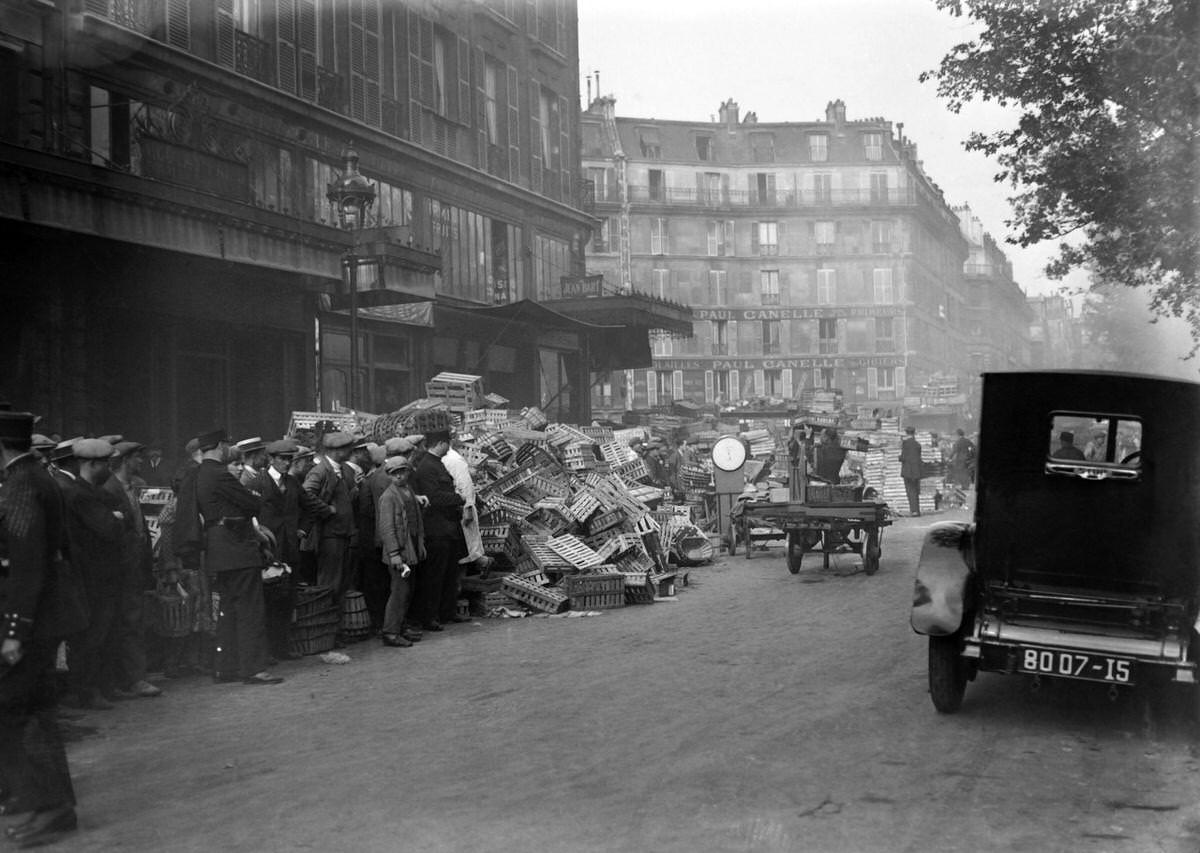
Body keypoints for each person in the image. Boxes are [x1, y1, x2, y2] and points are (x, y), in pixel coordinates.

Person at [0, 410, 86, 846]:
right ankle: (43, 804)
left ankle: (47, 808)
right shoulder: (35, 477)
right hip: (46, 613)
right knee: (32, 713)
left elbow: (27, 566)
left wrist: (15, 631)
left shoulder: (20, 486)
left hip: (33, 619)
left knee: (20, 713)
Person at [193, 429, 281, 686]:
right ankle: (253, 669)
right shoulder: (220, 474)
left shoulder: (201, 474)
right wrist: (251, 499)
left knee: (228, 612)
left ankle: (225, 667)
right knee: (250, 611)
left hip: (218, 549)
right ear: (220, 446)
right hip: (237, 548)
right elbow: (253, 504)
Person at [61, 438, 126, 709]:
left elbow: (115, 516)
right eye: (105, 465)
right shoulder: (79, 495)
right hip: (91, 575)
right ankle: (88, 691)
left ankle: (102, 686)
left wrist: (116, 517)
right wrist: (115, 518)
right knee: (92, 636)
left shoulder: (91, 492)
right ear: (91, 464)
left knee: (105, 631)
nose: (109, 469)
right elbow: (109, 527)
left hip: (102, 574)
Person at [248, 439, 320, 662]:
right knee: (267, 600)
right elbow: (250, 517)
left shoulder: (293, 483)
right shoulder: (257, 484)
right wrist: (260, 540)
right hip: (268, 551)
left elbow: (310, 509)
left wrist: (302, 530)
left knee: (287, 599)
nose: (287, 463)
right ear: (271, 459)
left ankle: (283, 647)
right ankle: (267, 650)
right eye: (283, 459)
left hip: (291, 550)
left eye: (290, 459)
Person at [102, 441, 161, 699]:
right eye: (137, 458)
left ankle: (129, 677)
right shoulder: (110, 490)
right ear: (125, 460)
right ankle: (132, 678)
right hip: (121, 568)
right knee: (127, 622)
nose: (141, 462)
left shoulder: (130, 488)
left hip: (134, 566)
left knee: (132, 621)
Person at [410, 429, 465, 633]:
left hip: (447, 529)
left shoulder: (435, 464)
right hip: (437, 530)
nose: (449, 447)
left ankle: (446, 612)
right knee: (435, 576)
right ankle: (430, 617)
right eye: (447, 443)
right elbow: (434, 497)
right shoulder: (427, 467)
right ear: (441, 443)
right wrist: (458, 498)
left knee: (448, 573)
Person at [303, 432, 357, 607]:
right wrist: (326, 509)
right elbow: (306, 494)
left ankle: (337, 625)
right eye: (348, 448)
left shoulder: (345, 470)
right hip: (329, 536)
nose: (351, 451)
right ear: (337, 451)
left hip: (344, 533)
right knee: (329, 583)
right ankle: (326, 622)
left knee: (342, 582)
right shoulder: (320, 472)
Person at [376, 456, 426, 647]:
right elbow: (387, 529)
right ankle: (390, 632)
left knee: (407, 590)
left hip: (411, 546)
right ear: (389, 475)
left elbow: (415, 520)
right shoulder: (388, 497)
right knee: (399, 592)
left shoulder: (408, 490)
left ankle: (400, 627)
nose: (399, 476)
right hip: (398, 550)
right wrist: (395, 555)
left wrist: (419, 544)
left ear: (408, 472)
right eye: (394, 473)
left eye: (402, 471)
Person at [899, 426, 923, 516]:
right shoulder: (917, 444)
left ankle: (913, 511)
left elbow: (903, 457)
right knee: (915, 491)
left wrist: (899, 458)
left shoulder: (905, 444)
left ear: (906, 433)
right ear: (914, 433)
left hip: (908, 471)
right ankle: (917, 510)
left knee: (910, 491)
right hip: (917, 471)